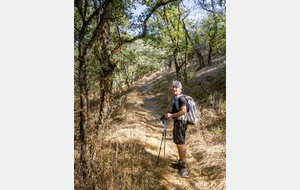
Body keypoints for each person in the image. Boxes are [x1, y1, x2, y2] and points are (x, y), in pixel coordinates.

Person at [165, 81, 189, 177]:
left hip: (181, 123)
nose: (174, 89)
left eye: (177, 87)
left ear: (181, 89)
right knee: (178, 144)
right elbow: (176, 111)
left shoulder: (182, 98)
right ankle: (181, 162)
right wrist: (169, 114)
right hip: (177, 122)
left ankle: (184, 168)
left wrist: (171, 115)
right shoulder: (176, 98)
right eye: (173, 87)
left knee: (181, 144)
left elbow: (183, 111)